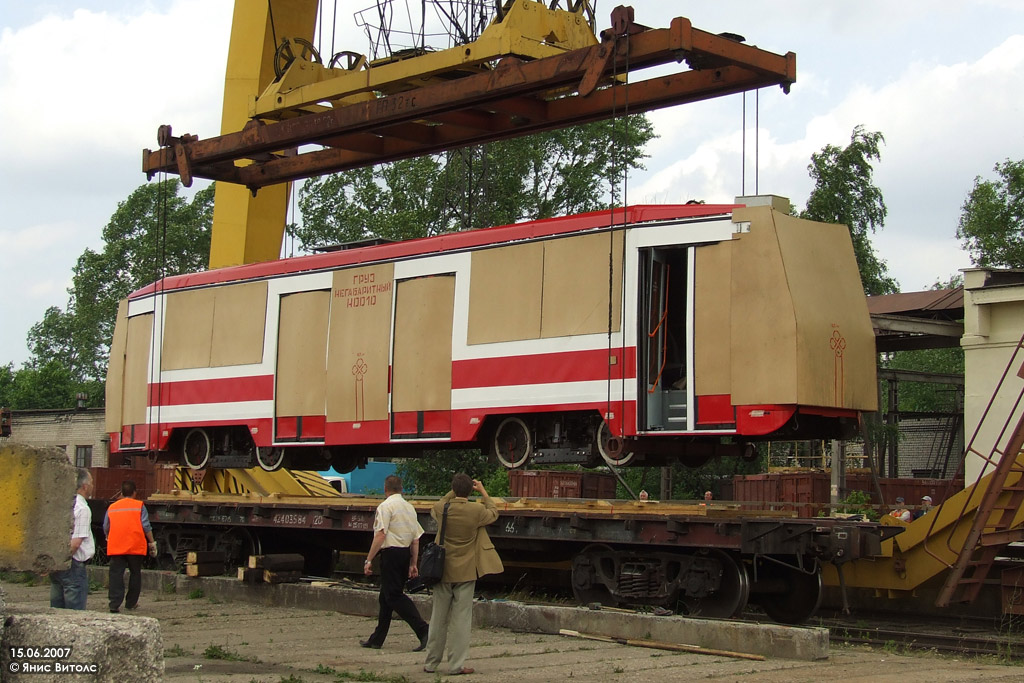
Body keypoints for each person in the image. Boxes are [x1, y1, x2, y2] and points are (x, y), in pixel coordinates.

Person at [423, 473, 503, 676]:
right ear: (469, 491)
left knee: (438, 617)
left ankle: (431, 662)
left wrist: (454, 491)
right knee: (461, 619)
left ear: (453, 489)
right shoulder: (476, 510)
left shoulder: (443, 509)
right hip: (466, 571)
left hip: (442, 570)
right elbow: (493, 512)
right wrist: (482, 490)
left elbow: (438, 504)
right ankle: (456, 664)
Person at [359, 475, 430, 651]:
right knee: (385, 597)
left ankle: (424, 630)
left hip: (391, 554)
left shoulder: (386, 506)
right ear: (401, 489)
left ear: (385, 489)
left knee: (394, 596)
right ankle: (377, 639)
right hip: (405, 553)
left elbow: (381, 535)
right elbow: (415, 539)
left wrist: (369, 559)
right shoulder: (409, 508)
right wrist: (414, 563)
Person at [104, 480, 157, 613]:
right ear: (135, 492)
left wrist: (108, 536)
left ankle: (114, 604)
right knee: (135, 574)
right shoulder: (139, 506)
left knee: (116, 574)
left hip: (116, 546)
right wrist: (152, 542)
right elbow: (145, 525)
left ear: (121, 493)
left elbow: (106, 526)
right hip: (135, 546)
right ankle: (131, 603)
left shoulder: (112, 507)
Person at [50, 468, 95, 610]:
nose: (93, 486)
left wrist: (54, 562)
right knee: (74, 613)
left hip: (57, 564)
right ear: (85, 486)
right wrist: (64, 559)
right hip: (73, 564)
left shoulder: (61, 505)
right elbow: (75, 543)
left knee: (56, 609)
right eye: (92, 483)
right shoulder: (82, 509)